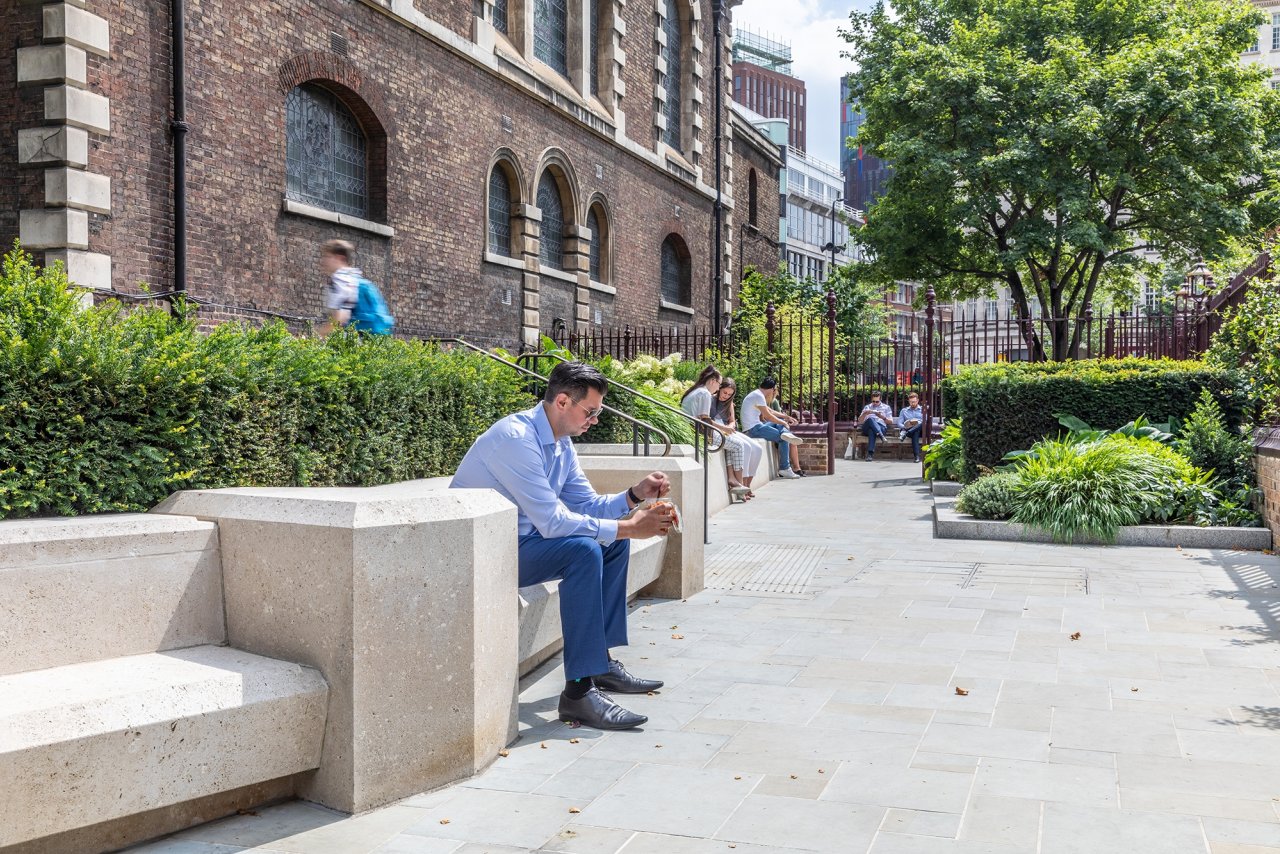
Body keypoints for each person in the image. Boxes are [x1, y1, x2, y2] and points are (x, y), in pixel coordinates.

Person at [451, 361, 674, 731]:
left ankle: (598, 664)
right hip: (486, 552)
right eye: (591, 411)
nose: (595, 419)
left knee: (610, 544)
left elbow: (585, 505)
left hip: (523, 542)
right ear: (562, 402)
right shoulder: (516, 439)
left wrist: (634, 496)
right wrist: (627, 527)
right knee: (585, 550)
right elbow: (552, 521)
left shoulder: (560, 443)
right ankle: (578, 694)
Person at [681, 367, 752, 501]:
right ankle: (739, 485)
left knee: (731, 445)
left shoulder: (695, 391)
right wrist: (723, 429)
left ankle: (733, 480)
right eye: (719, 384)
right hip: (700, 433)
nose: (718, 388)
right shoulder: (705, 393)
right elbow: (704, 419)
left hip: (692, 431)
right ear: (713, 381)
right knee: (738, 445)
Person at [740, 377, 802, 479]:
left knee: (781, 428)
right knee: (784, 438)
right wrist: (784, 422)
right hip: (753, 429)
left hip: (757, 427)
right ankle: (785, 468)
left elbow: (770, 411)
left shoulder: (757, 394)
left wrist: (786, 417)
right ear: (772, 389)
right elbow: (768, 416)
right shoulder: (758, 396)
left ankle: (786, 433)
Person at [713, 378, 763, 496]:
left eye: (730, 394)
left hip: (728, 430)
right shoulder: (711, 399)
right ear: (719, 389)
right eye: (725, 392)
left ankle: (747, 485)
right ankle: (742, 486)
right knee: (745, 446)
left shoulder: (729, 402)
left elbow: (732, 421)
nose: (726, 396)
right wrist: (725, 429)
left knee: (757, 448)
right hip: (718, 429)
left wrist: (730, 426)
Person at [318, 239, 361, 335]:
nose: (323, 261)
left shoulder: (339, 280)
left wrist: (316, 337)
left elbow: (339, 319)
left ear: (339, 258)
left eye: (328, 257)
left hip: (353, 340)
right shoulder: (354, 277)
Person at [857, 390, 894, 461]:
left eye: (877, 401)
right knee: (870, 419)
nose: (875, 403)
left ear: (880, 399)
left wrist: (882, 417)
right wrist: (865, 414)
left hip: (881, 427)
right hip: (866, 428)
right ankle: (881, 436)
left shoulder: (886, 407)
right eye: (873, 401)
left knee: (872, 430)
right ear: (871, 399)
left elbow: (890, 422)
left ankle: (870, 455)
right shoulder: (867, 407)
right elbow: (860, 421)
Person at [897, 391, 925, 463]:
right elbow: (899, 423)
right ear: (908, 401)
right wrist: (906, 426)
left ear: (918, 400)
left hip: (922, 431)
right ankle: (917, 457)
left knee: (921, 423)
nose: (913, 403)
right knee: (915, 432)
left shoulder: (923, 410)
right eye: (911, 402)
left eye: (914, 402)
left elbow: (926, 421)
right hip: (910, 430)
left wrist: (917, 423)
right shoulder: (904, 411)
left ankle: (916, 456)